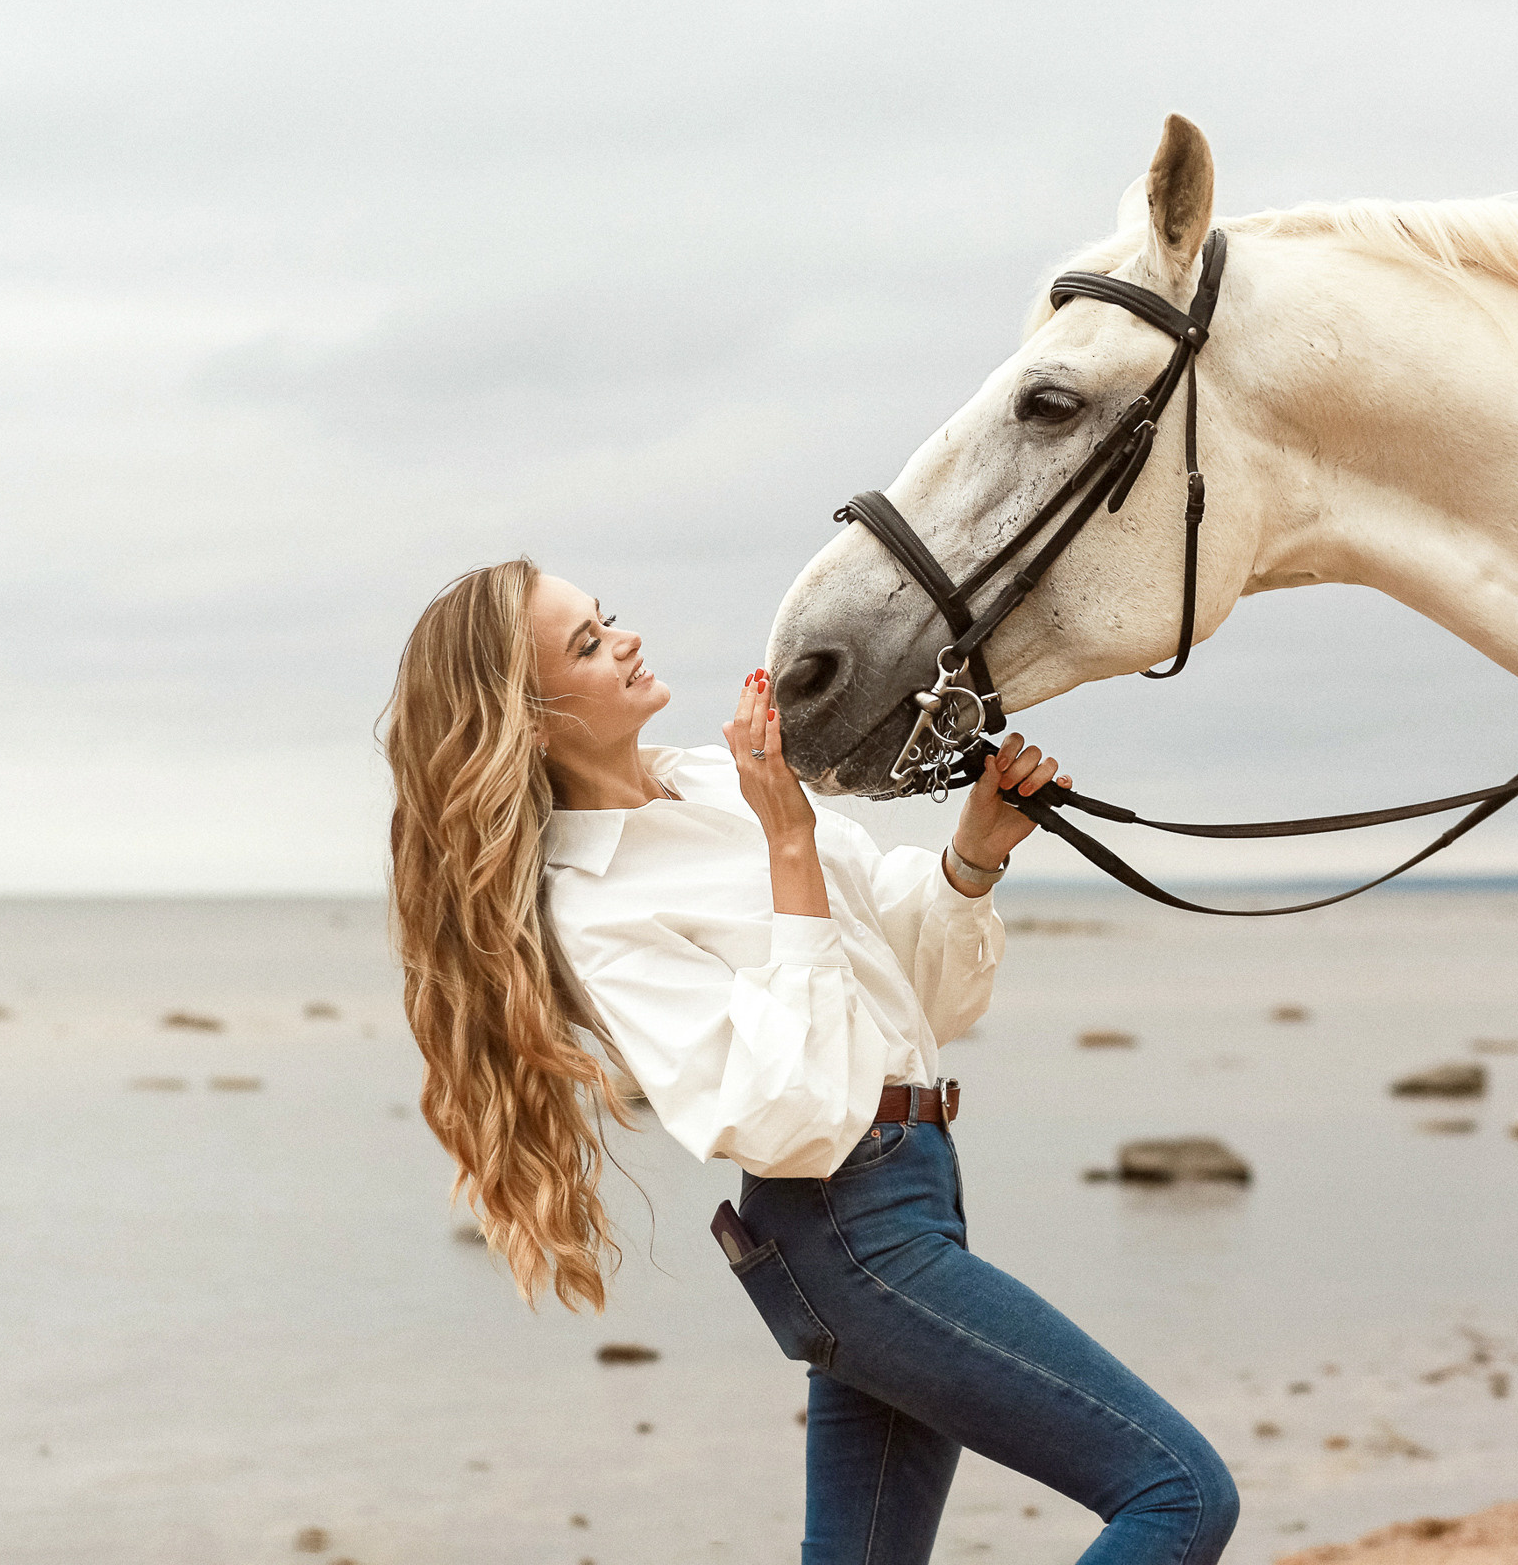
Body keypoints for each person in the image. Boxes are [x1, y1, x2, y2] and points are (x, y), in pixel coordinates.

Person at [385, 558, 1237, 1565]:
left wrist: (971, 859)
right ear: (530, 721)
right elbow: (782, 1115)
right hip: (844, 1226)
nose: (626, 639)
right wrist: (787, 843)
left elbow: (909, 999)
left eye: (607, 618)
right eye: (587, 644)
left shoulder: (717, 780)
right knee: (1178, 1493)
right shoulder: (595, 904)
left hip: (908, 1191)